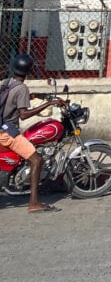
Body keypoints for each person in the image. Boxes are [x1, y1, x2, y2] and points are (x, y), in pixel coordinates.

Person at [0, 54, 66, 212]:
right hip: (8, 133)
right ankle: (34, 203)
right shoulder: (22, 88)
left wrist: (39, 97)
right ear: (28, 71)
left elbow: (13, 99)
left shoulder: (7, 82)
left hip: (1, 126)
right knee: (36, 160)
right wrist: (48, 104)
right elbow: (23, 114)